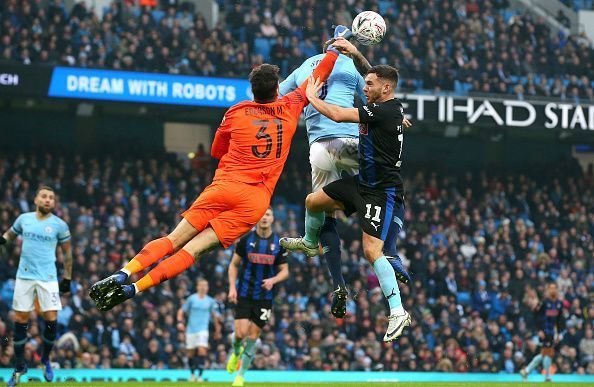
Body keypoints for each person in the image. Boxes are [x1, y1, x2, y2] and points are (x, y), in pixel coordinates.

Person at [88, 47, 341, 311]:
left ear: (252, 90)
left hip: (224, 187)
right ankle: (134, 289)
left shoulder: (236, 111)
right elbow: (318, 76)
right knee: (193, 251)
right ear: (277, 89)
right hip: (254, 201)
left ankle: (125, 272)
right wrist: (334, 51)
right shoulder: (290, 106)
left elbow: (215, 151)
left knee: (174, 239)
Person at [281, 38, 410, 342]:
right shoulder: (384, 105)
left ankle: (397, 311)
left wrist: (311, 96)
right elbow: (375, 76)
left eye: (369, 84)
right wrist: (357, 54)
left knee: (370, 251)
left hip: (381, 191)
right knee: (313, 201)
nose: (364, 87)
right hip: (362, 181)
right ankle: (310, 242)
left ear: (385, 89)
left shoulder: (383, 112)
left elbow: (338, 115)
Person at [0, 186, 73, 386]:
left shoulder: (60, 225)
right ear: (36, 199)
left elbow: (67, 253)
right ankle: (19, 366)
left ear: (54, 203)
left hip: (48, 279)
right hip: (24, 277)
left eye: (51, 197)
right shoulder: (24, 219)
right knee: (21, 321)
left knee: (51, 320)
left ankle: (46, 359)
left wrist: (67, 277)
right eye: (44, 196)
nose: (48, 200)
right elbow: (9, 236)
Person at [226, 208, 289, 387]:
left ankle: (240, 376)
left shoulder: (279, 243)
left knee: (253, 337)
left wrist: (273, 280)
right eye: (262, 215)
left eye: (268, 215)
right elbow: (233, 265)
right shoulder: (246, 240)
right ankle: (236, 352)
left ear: (272, 219)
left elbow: (285, 271)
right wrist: (232, 288)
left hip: (265, 297)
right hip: (244, 293)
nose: (264, 218)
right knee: (240, 334)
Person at [520, 282, 565, 382]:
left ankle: (530, 372)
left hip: (552, 332)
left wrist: (559, 333)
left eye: (554, 288)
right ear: (548, 291)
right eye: (551, 288)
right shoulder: (544, 303)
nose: (553, 290)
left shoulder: (559, 304)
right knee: (547, 352)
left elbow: (559, 320)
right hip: (544, 331)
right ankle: (540, 375)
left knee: (546, 353)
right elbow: (536, 316)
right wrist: (539, 330)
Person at [177, 279, 220, 382]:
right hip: (191, 329)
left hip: (203, 330)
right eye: (201, 285)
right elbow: (181, 311)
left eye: (205, 285)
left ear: (208, 287)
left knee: (202, 350)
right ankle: (192, 374)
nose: (203, 287)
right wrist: (179, 322)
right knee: (191, 353)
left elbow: (214, 315)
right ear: (197, 287)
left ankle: (200, 376)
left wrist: (218, 329)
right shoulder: (191, 299)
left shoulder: (210, 301)